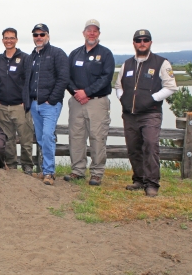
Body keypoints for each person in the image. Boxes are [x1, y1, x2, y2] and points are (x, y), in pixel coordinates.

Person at [115, 30, 178, 197]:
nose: (142, 43)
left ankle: (152, 183)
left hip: (150, 113)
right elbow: (118, 86)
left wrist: (151, 99)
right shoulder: (126, 65)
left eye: (145, 40)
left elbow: (170, 86)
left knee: (150, 145)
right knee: (133, 147)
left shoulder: (161, 63)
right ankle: (139, 179)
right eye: (138, 40)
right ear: (134, 43)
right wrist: (124, 100)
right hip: (130, 114)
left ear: (150, 42)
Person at [65, 19, 115, 186]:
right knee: (76, 136)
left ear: (99, 33)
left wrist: (87, 92)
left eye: (95, 30)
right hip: (76, 102)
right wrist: (76, 93)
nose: (91, 33)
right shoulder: (75, 54)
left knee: (97, 137)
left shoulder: (106, 54)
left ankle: (96, 172)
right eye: (89, 30)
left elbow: (106, 77)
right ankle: (77, 170)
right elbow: (67, 77)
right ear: (83, 32)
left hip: (97, 102)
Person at [22, 24, 69, 185]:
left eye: (42, 34)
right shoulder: (31, 58)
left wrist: (52, 99)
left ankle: (49, 172)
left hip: (50, 104)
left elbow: (63, 78)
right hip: (34, 104)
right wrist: (27, 101)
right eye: (36, 35)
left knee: (48, 136)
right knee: (41, 138)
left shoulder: (57, 54)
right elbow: (26, 81)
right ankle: (44, 170)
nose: (39, 37)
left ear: (48, 36)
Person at [0, 28, 34, 174]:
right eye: (6, 38)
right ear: (2, 40)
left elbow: (30, 81)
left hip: (20, 106)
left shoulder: (25, 58)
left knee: (25, 138)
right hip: (3, 106)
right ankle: (11, 165)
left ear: (16, 39)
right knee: (8, 139)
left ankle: (27, 165)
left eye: (11, 38)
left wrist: (26, 101)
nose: (8, 40)